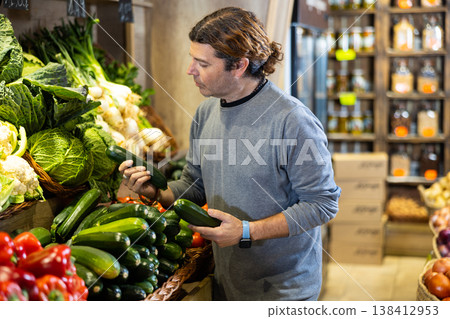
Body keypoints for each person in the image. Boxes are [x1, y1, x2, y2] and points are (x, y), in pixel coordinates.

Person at [119, 7, 340, 301]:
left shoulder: (292, 121)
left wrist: (247, 231)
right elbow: (194, 185)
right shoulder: (206, 112)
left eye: (202, 63)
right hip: (227, 283)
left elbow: (322, 203)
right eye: (192, 60)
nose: (191, 71)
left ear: (238, 66)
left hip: (284, 291)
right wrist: (158, 192)